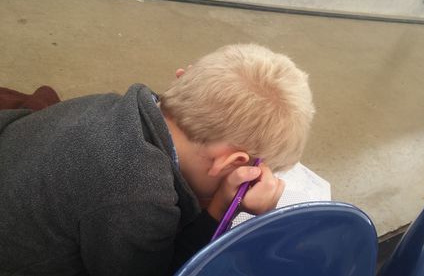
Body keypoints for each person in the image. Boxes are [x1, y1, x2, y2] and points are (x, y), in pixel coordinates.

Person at [0, 44, 315, 276]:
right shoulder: (140, 196)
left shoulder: (123, 105)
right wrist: (219, 211)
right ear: (232, 163)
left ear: (182, 78)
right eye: (257, 169)